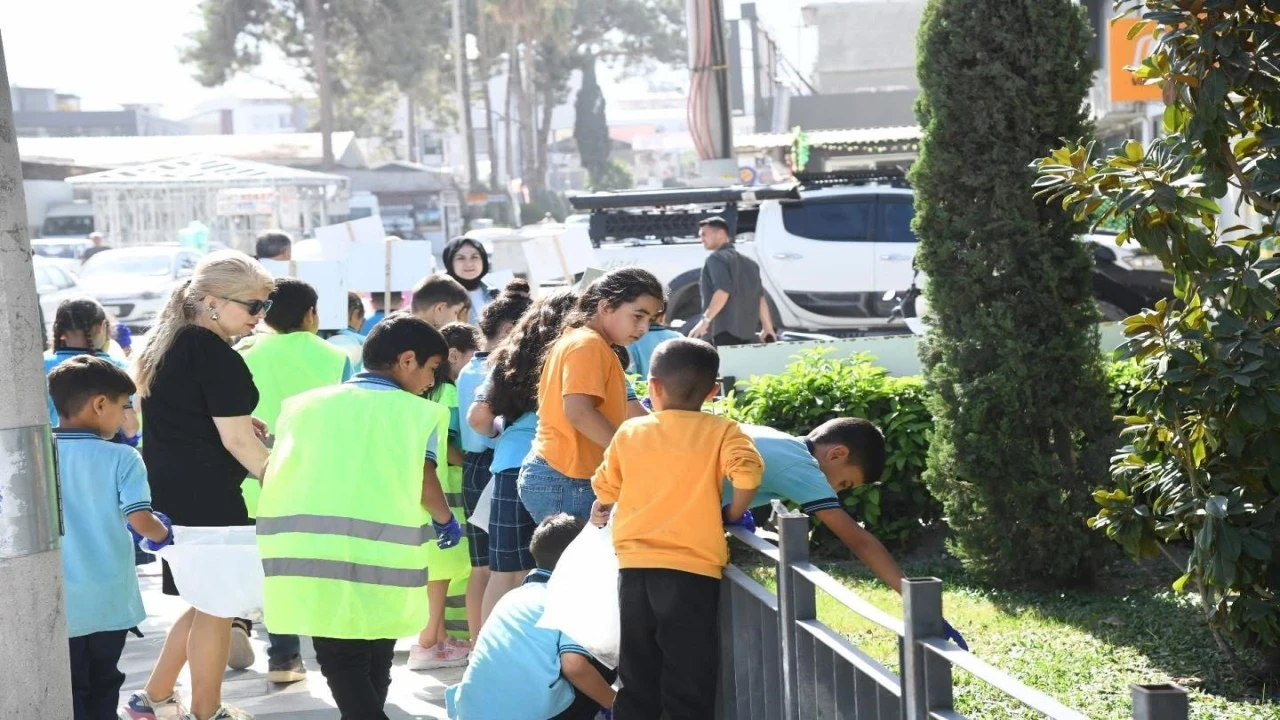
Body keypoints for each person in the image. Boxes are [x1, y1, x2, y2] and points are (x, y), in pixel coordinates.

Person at [255, 314, 463, 720]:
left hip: (312, 550)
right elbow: (425, 477)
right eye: (432, 369)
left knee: (339, 654)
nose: (431, 382)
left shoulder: (302, 407)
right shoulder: (415, 413)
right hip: (384, 558)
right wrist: (444, 520)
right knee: (376, 648)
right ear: (406, 360)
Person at [120, 250, 275, 720]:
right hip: (206, 495)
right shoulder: (212, 354)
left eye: (265, 305)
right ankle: (205, 712)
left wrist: (242, 426)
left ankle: (157, 695)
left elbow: (191, 419)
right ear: (212, 302)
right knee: (217, 605)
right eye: (253, 306)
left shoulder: (168, 344)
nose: (260, 317)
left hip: (170, 490)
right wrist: (283, 480)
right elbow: (236, 444)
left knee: (203, 598)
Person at [590, 337, 762, 720]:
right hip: (693, 571)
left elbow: (605, 487)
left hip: (634, 568)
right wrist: (732, 511)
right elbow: (748, 473)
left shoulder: (630, 432)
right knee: (688, 675)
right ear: (713, 391)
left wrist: (603, 500)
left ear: (652, 386)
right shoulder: (723, 430)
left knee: (637, 674)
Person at [733, 418, 970, 648]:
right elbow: (859, 542)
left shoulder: (777, 440)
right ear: (837, 455)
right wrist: (918, 604)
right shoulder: (802, 468)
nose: (836, 491)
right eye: (844, 484)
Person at [232, 277, 353, 683]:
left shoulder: (242, 351)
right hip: (319, 481)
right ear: (311, 314)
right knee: (319, 568)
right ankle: (328, 649)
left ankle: (281, 655)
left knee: (271, 570)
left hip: (254, 477)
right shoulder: (336, 357)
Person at [48, 356, 174, 720]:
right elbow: (140, 519)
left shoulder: (36, 453)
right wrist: (166, 535)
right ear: (99, 404)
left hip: (58, 605)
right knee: (105, 682)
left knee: (69, 690)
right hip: (108, 602)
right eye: (124, 407)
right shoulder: (123, 457)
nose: (125, 418)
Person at [518, 268, 665, 524]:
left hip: (562, 477)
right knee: (577, 564)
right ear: (606, 307)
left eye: (650, 320)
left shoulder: (589, 342)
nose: (643, 328)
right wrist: (626, 454)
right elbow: (579, 412)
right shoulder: (588, 344)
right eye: (638, 316)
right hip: (566, 479)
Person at [468, 289, 580, 623]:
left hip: (510, 465)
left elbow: (478, 418)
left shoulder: (510, 359)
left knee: (505, 573)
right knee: (561, 572)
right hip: (563, 466)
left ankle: (488, 654)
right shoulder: (579, 356)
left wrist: (499, 436)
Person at [445, 514, 617, 720]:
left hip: (470, 713)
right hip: (529, 714)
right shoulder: (571, 599)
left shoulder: (513, 597)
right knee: (604, 660)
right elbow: (574, 666)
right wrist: (619, 704)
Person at [456, 281, 534, 637]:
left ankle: (478, 645)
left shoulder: (468, 369)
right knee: (507, 568)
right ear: (509, 330)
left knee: (482, 567)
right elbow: (483, 424)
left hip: (473, 467)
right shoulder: (502, 368)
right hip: (496, 465)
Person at [410, 322, 481, 671]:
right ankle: (427, 641)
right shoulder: (451, 395)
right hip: (447, 490)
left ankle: (436, 638)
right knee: (444, 567)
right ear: (454, 356)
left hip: (425, 491)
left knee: (435, 568)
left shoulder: (423, 394)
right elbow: (452, 448)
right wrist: (475, 459)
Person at [44, 297, 140, 445]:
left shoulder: (39, 367)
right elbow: (130, 428)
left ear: (60, 331)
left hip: (51, 456)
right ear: (101, 327)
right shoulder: (118, 368)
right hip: (103, 457)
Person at [688, 216, 778, 346]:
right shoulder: (750, 263)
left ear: (720, 234)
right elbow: (759, 298)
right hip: (747, 334)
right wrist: (767, 327)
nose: (701, 239)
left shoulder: (716, 259)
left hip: (721, 332)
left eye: (704, 235)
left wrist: (705, 321)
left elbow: (723, 291)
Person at [443, 236, 496, 324]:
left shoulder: (494, 293)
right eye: (461, 258)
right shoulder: (439, 296)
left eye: (474, 257)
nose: (469, 264)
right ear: (450, 262)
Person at [626, 307, 682, 379]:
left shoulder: (629, 340)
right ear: (663, 317)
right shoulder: (678, 337)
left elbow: (629, 377)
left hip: (640, 389)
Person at [328, 291, 368, 372]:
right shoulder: (366, 342)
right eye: (362, 319)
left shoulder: (314, 337)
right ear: (355, 313)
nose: (361, 324)